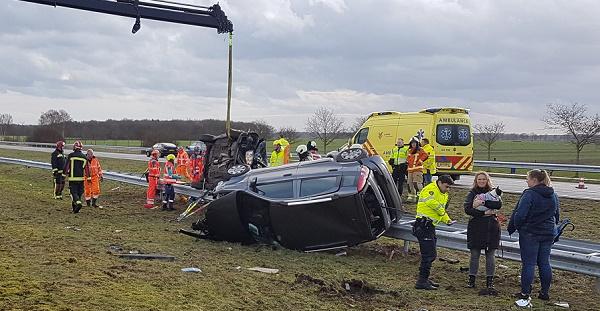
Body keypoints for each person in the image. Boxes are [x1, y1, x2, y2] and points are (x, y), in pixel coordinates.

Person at [508, 169, 560, 307]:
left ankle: (525, 293)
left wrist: (518, 227)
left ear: (535, 180)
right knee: (544, 262)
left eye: (528, 178)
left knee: (529, 263)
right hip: (548, 232)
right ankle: (544, 292)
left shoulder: (530, 194)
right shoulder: (553, 194)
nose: (526, 180)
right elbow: (557, 214)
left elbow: (520, 214)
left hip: (530, 233)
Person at [413, 174, 456, 290]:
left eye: (449, 188)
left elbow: (440, 211)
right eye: (446, 187)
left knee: (431, 254)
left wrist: (447, 220)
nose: (448, 190)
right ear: (440, 182)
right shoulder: (430, 189)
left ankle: (425, 279)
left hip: (430, 227)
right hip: (423, 226)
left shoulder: (443, 194)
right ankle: (421, 281)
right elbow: (433, 204)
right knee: (429, 255)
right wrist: (443, 214)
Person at [463, 172, 502, 294]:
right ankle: (471, 279)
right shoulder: (471, 193)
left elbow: (498, 205)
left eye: (484, 179)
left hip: (491, 227)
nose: (481, 181)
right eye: (479, 179)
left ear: (487, 180)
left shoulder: (494, 192)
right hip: (476, 226)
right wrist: (484, 213)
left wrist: (483, 203)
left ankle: (490, 281)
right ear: (476, 180)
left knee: (490, 254)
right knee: (474, 253)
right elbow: (468, 209)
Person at [63, 141, 87, 213]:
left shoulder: (71, 155)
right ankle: (75, 209)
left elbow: (66, 166)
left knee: (74, 193)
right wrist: (88, 177)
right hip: (81, 178)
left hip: (73, 178)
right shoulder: (84, 157)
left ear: (74, 147)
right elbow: (87, 168)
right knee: (79, 192)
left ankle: (78, 203)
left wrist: (64, 174)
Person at [406, 137, 428, 203]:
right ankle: (412, 197)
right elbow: (408, 159)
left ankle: (421, 197)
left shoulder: (420, 150)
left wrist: (420, 161)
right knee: (409, 183)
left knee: (417, 183)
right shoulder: (410, 151)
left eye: (414, 143)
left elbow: (426, 155)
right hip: (410, 170)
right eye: (412, 143)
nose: (413, 144)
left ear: (417, 143)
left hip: (417, 170)